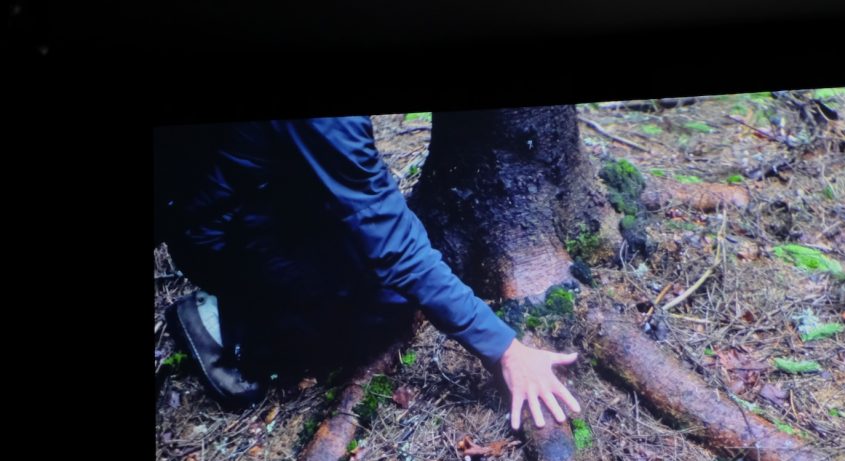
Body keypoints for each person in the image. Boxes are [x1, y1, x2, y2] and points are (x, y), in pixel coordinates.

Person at [154, 116, 580, 430]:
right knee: (385, 307)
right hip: (220, 232)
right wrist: (505, 348)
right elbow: (393, 243)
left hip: (267, 199)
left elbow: (375, 213)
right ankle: (230, 328)